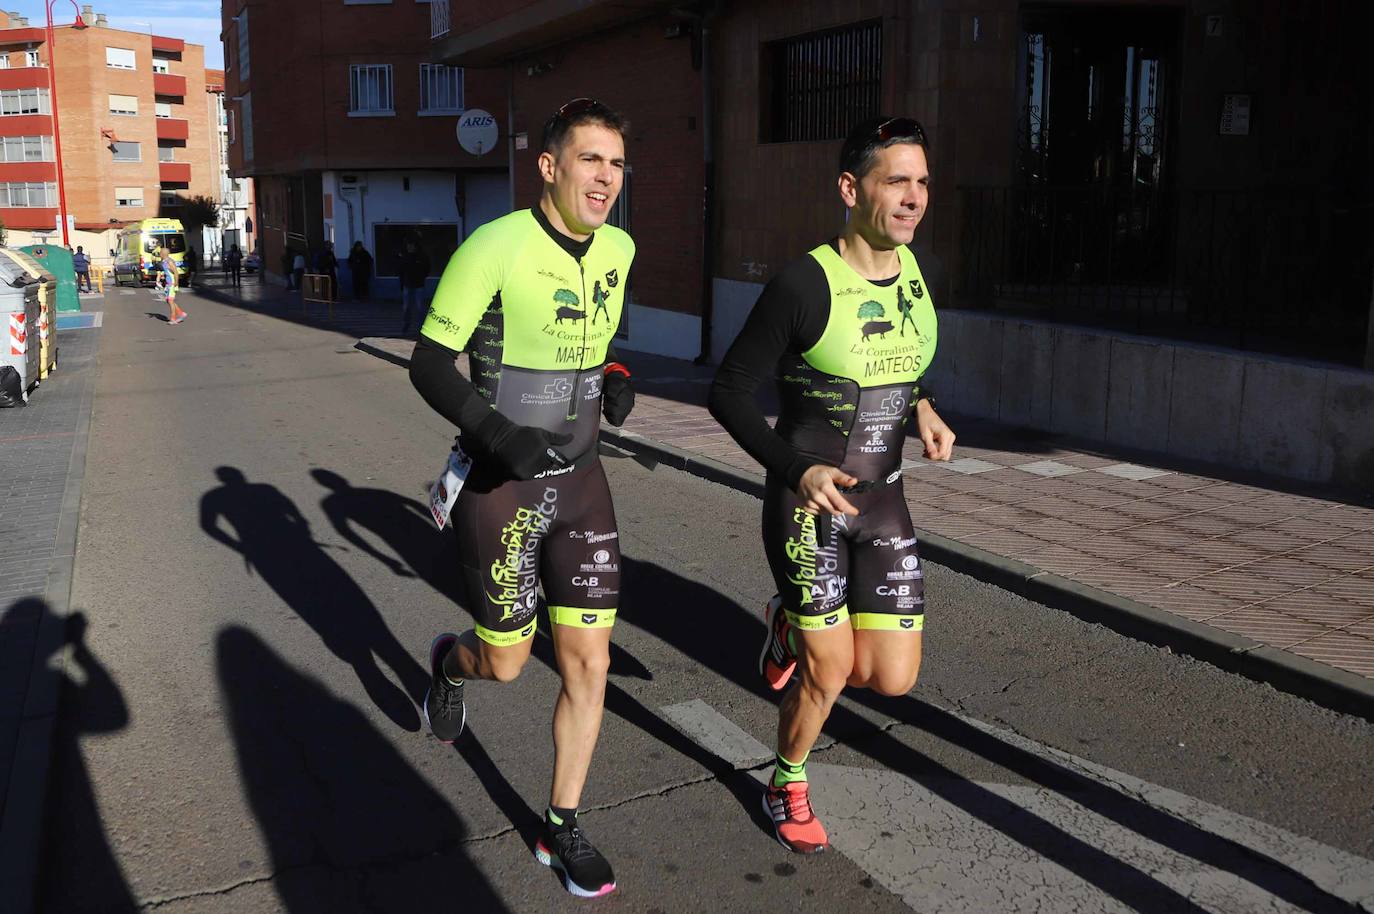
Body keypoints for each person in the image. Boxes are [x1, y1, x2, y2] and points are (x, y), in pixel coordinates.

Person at [708, 116, 956, 855]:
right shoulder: (802, 283)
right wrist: (797, 469)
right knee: (832, 670)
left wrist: (925, 405)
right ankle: (785, 780)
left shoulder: (910, 269)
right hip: (807, 504)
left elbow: (906, 354)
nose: (913, 198)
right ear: (852, 189)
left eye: (921, 182)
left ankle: (785, 623)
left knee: (893, 679)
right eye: (896, 182)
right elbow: (728, 391)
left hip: (886, 500)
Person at [409, 97, 635, 898]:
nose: (605, 178)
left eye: (615, 162)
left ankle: (560, 826)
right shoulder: (493, 246)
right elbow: (430, 364)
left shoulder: (619, 247)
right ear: (549, 166)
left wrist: (614, 378)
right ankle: (451, 663)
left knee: (589, 662)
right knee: (505, 664)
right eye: (589, 160)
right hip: (502, 486)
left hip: (583, 484)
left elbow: (607, 328)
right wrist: (499, 435)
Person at [397, 237, 431, 334]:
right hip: (407, 285)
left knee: (420, 307)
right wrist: (402, 284)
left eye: (411, 246)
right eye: (408, 246)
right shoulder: (405, 257)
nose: (410, 248)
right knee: (406, 307)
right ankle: (406, 325)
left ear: (415, 247)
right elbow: (400, 270)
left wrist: (422, 277)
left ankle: (421, 327)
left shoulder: (422, 256)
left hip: (419, 285)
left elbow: (427, 268)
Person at [156, 246, 188, 324]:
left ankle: (173, 319)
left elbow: (176, 272)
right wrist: (164, 276)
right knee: (169, 300)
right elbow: (168, 272)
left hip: (172, 284)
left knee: (170, 300)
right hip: (168, 284)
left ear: (163, 254)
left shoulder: (169, 262)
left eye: (160, 253)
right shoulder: (164, 262)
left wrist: (176, 283)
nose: (159, 254)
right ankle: (181, 313)